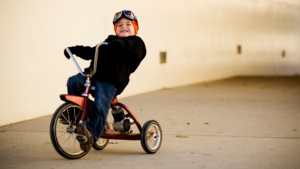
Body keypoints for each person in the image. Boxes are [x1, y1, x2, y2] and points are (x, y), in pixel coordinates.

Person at [64, 10, 146, 152]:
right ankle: (76, 116)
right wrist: (74, 49)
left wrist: (120, 43)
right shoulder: (109, 41)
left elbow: (132, 48)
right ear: (115, 29)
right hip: (93, 75)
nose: (123, 26)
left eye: (128, 24)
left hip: (112, 81)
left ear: (135, 28)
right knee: (73, 81)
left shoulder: (136, 43)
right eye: (119, 25)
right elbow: (93, 51)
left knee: (101, 104)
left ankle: (91, 133)